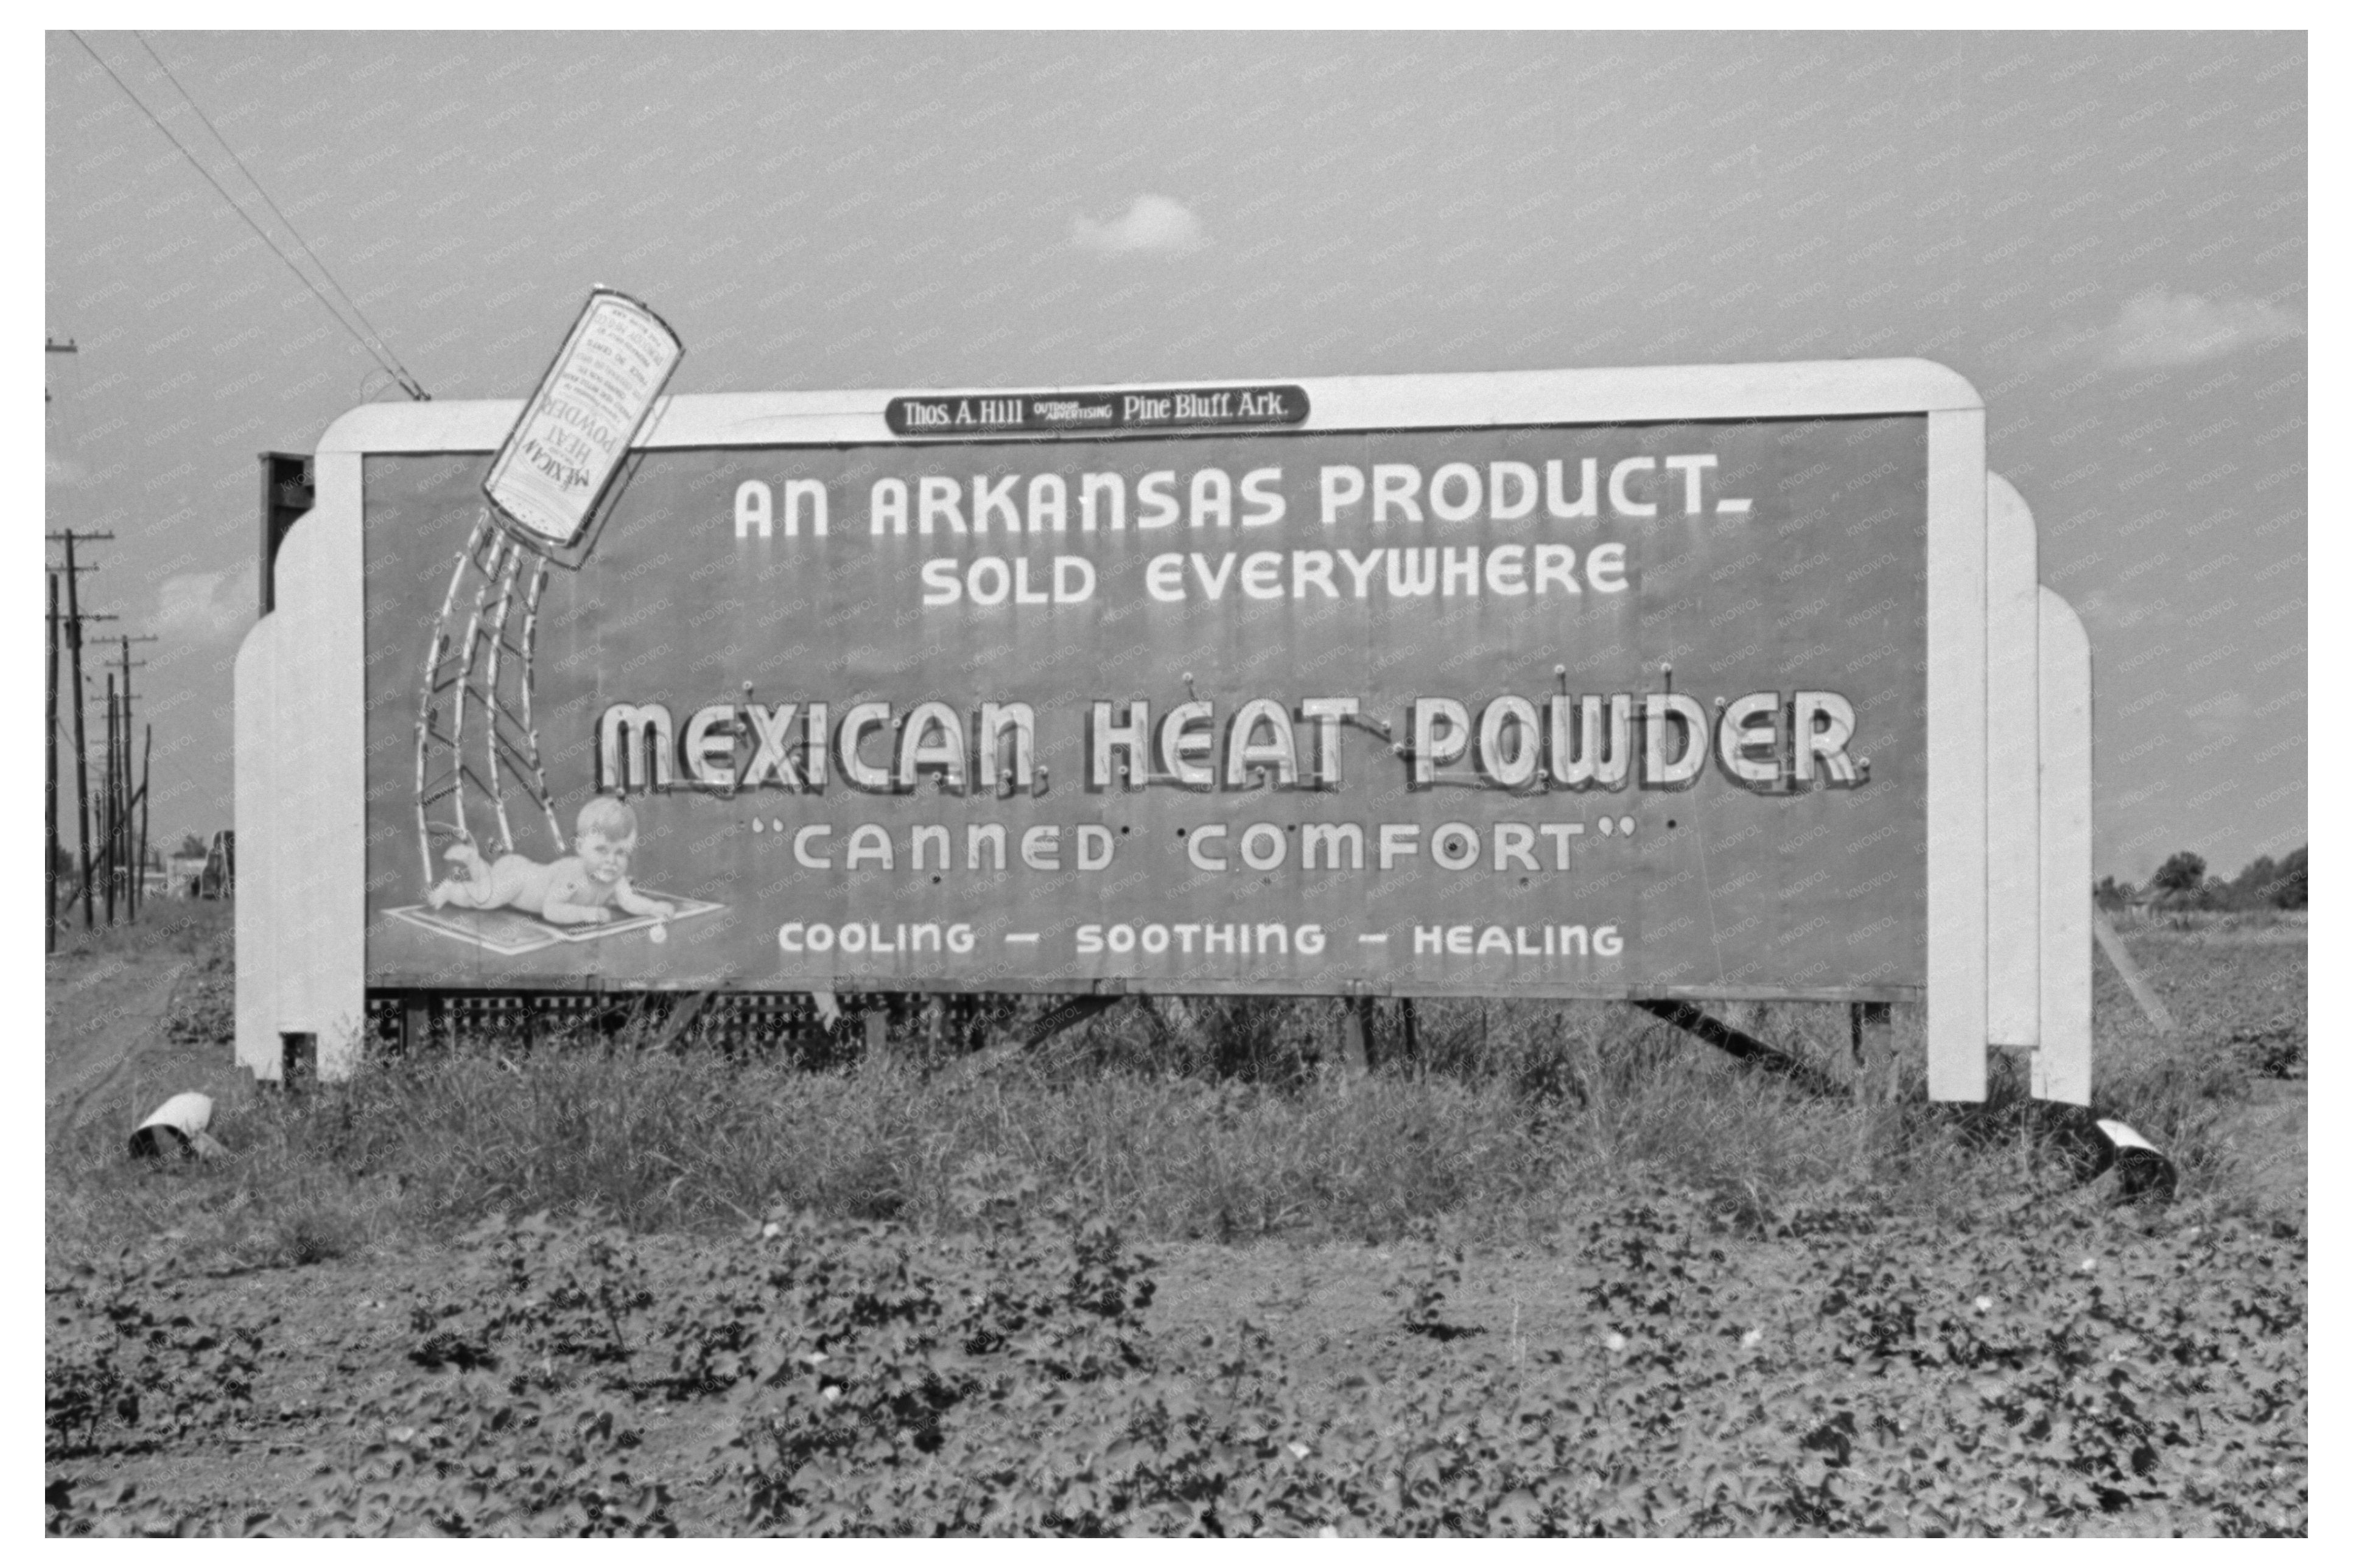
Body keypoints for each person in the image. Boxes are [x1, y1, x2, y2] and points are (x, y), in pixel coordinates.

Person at [429, 796, 674, 926]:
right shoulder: (573, 877)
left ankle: (478, 867)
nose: (612, 861)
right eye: (601, 850)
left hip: (522, 867)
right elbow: (552, 910)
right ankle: (456, 883)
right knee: (485, 899)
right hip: (519, 880)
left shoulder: (615, 878)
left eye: (621, 853)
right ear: (580, 847)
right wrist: (587, 915)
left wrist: (652, 908)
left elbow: (630, 901)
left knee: (488, 887)